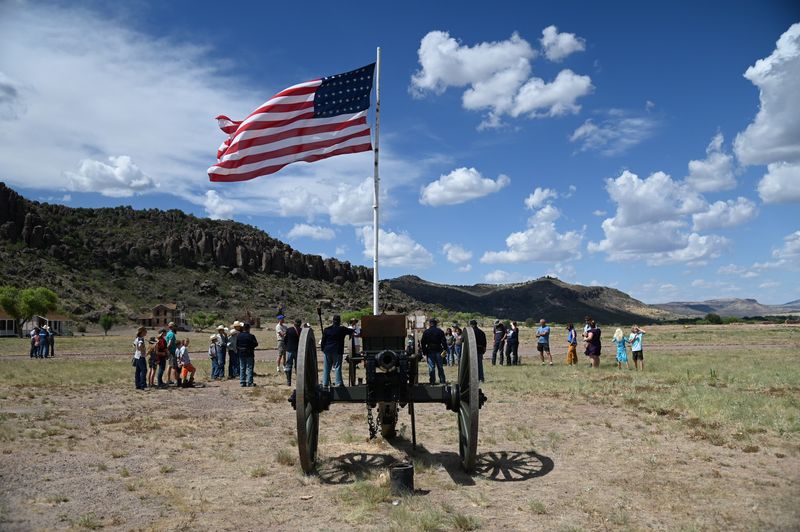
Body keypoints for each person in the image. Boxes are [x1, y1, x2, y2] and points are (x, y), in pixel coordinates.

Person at [321, 315, 352, 387]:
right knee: (337, 367)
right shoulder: (342, 329)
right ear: (339, 321)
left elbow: (323, 341)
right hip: (337, 351)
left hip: (327, 350)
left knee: (326, 368)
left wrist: (323, 349)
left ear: (333, 321)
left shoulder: (327, 329)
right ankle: (338, 382)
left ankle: (325, 383)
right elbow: (351, 331)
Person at [420, 318, 447, 384]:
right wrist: (445, 349)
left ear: (430, 324)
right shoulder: (440, 331)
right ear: (436, 324)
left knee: (431, 367)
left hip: (430, 350)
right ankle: (442, 381)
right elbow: (444, 342)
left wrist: (424, 351)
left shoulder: (426, 332)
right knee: (440, 367)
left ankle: (432, 381)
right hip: (438, 350)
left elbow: (423, 342)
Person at [236, 323, 258, 387]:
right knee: (249, 367)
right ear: (248, 328)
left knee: (242, 367)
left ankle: (242, 382)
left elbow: (237, 344)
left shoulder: (239, 335)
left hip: (241, 353)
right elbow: (255, 344)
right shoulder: (251, 336)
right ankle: (249, 382)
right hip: (249, 353)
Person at [284, 319, 302, 386]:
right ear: (300, 324)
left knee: (288, 365)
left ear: (294, 323)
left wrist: (287, 347)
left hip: (289, 350)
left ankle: (288, 381)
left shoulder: (289, 330)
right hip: (298, 350)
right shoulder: (302, 331)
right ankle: (299, 381)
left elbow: (285, 340)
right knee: (298, 366)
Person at [133, 326, 148, 390]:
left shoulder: (137, 338)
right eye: (145, 331)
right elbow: (139, 346)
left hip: (136, 356)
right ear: (142, 332)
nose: (146, 333)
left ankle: (137, 385)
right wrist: (142, 349)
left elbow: (133, 345)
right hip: (141, 356)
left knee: (138, 371)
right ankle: (143, 385)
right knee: (144, 370)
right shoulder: (141, 339)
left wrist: (137, 349)